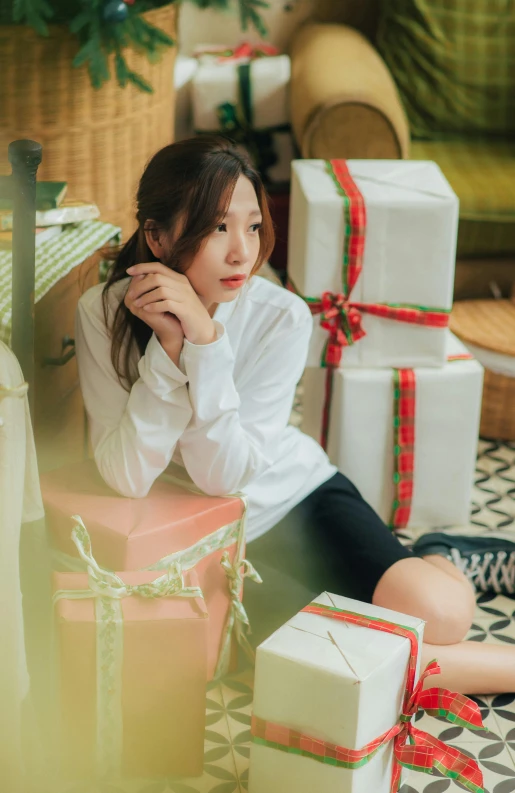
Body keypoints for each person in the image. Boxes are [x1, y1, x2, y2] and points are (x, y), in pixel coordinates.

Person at [75, 135, 515, 696]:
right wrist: (167, 353)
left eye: (253, 226)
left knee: (446, 615)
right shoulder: (103, 314)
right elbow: (127, 476)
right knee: (338, 670)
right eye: (217, 228)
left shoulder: (280, 316)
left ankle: (443, 553)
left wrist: (206, 345)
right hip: (199, 538)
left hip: (290, 493)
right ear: (158, 237)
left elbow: (228, 474)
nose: (242, 252)